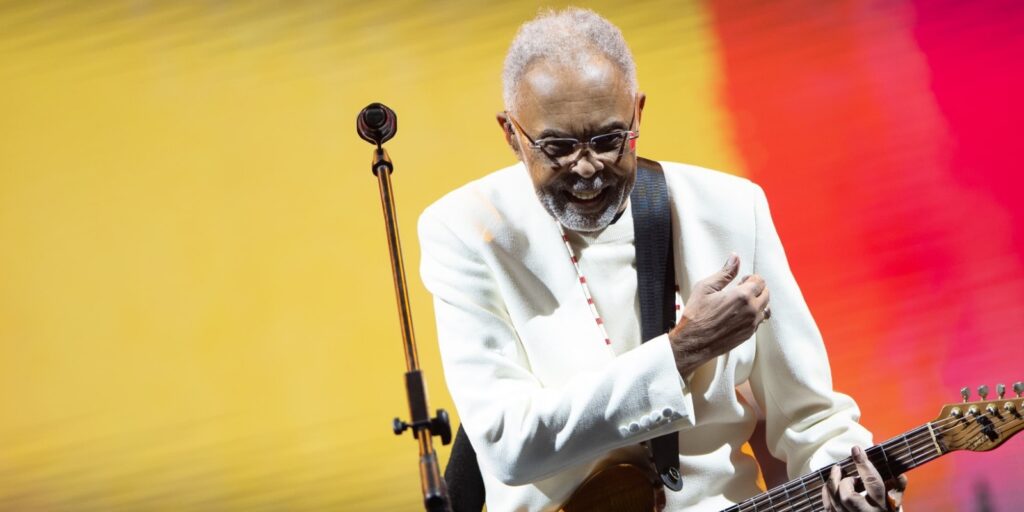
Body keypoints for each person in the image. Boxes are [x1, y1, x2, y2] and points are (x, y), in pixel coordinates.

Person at [418, 7, 907, 512]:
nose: (586, 168)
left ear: (638, 113)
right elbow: (507, 444)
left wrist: (848, 479)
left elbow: (810, 417)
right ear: (512, 135)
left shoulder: (730, 210)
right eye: (557, 147)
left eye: (608, 140)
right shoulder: (466, 230)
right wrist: (682, 350)